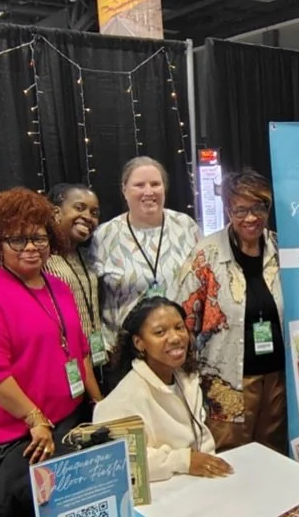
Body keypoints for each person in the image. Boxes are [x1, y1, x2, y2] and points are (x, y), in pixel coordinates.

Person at [0, 188, 101, 517]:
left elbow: (78, 351)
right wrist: (34, 417)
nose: (31, 247)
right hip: (14, 442)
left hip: (63, 428)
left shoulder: (58, 287)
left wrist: (98, 402)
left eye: (38, 237)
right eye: (18, 239)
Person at [0, 184, 108, 380]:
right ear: (56, 213)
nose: (88, 216)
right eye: (79, 207)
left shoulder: (87, 255)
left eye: (94, 212)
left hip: (92, 358)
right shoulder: (36, 259)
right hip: (56, 365)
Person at [180, 170, 286, 453]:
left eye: (258, 207)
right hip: (226, 382)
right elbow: (183, 320)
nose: (250, 218)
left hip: (277, 381)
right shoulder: (206, 256)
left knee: (275, 457)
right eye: (240, 209)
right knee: (232, 458)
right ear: (228, 209)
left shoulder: (282, 248)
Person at [94, 296, 231, 480]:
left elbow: (202, 440)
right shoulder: (123, 399)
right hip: (161, 495)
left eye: (179, 327)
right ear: (138, 343)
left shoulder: (186, 379)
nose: (175, 338)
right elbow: (116, 461)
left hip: (198, 484)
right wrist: (182, 461)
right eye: (160, 332)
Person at [90, 157, 200, 355]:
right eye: (139, 185)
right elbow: (92, 298)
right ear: (124, 190)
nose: (148, 191)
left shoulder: (186, 226)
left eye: (155, 184)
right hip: (125, 353)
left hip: (180, 349)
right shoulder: (104, 235)